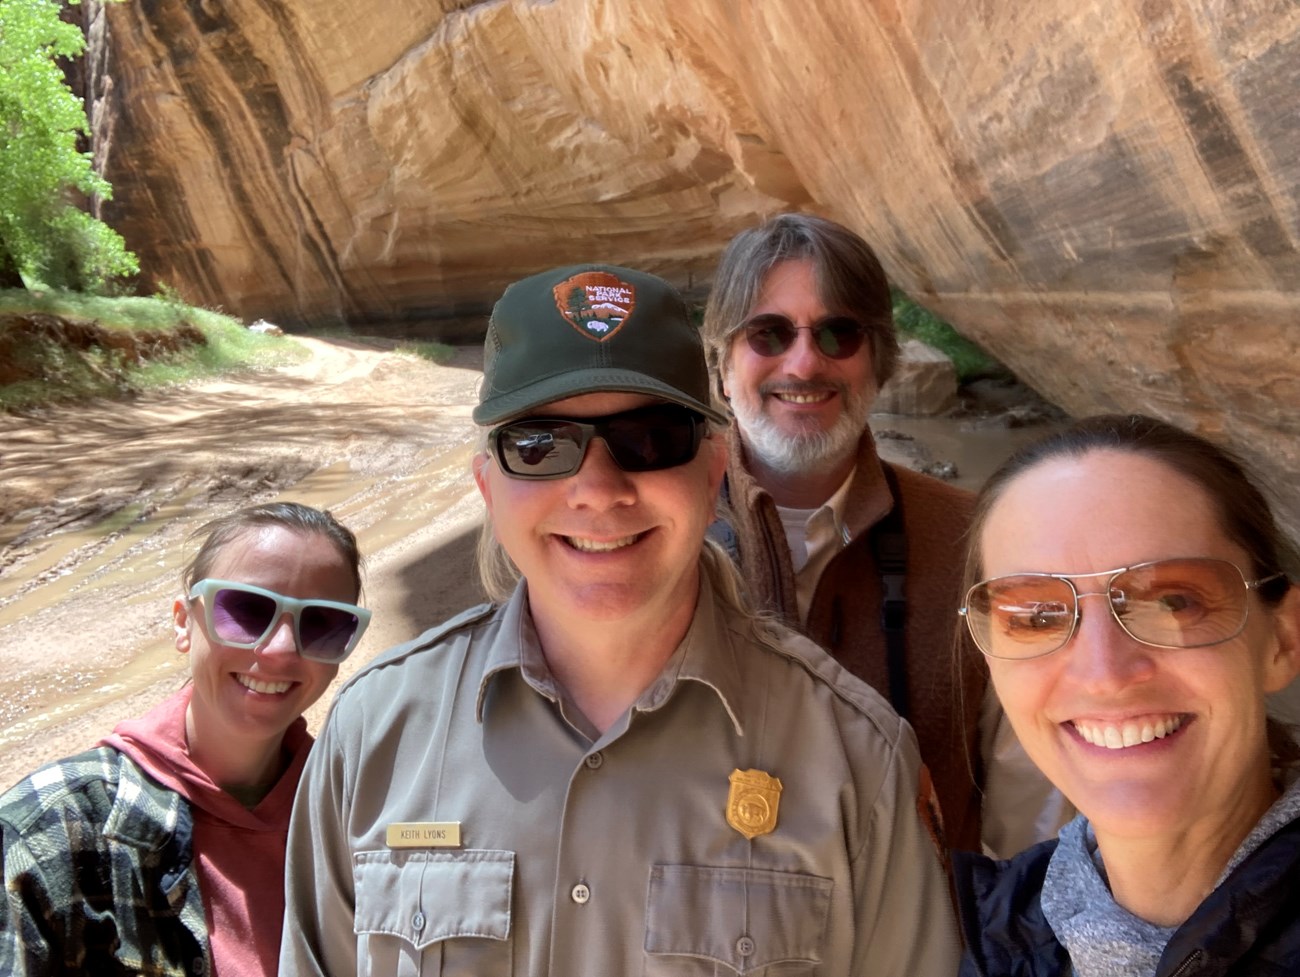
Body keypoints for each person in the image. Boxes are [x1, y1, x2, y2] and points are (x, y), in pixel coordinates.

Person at [281, 263, 959, 976]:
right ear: (488, 485)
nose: (598, 491)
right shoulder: (371, 737)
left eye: (648, 437)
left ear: (711, 471)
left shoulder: (858, 759)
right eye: (540, 444)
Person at [701, 211, 1067, 855]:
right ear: (721, 368)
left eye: (840, 333)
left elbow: (1029, 812)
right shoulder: (650, 536)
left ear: (879, 363)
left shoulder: (979, 542)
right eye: (768, 333)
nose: (806, 361)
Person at [952, 414, 1300, 976]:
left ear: (1281, 641)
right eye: (1036, 615)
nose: (1104, 674)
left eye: (1174, 603)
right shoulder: (997, 936)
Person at [0, 502, 370, 977]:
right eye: (247, 610)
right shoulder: (50, 831)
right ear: (183, 623)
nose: (279, 650)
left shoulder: (361, 813)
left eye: (320, 623)